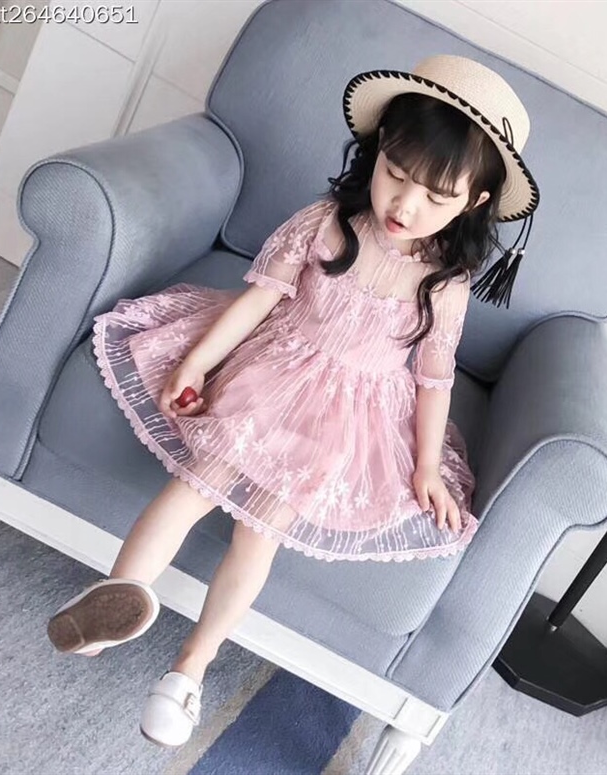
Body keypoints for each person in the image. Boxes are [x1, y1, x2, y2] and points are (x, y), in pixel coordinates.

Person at [46, 55, 539, 748]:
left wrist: (427, 466)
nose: (404, 206)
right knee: (193, 485)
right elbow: (257, 301)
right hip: (270, 371)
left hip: (348, 420)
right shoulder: (326, 223)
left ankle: (190, 668)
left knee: (261, 534)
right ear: (378, 149)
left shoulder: (445, 284)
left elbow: (433, 380)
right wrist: (197, 361)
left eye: (435, 197)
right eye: (395, 174)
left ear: (475, 202)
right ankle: (114, 599)